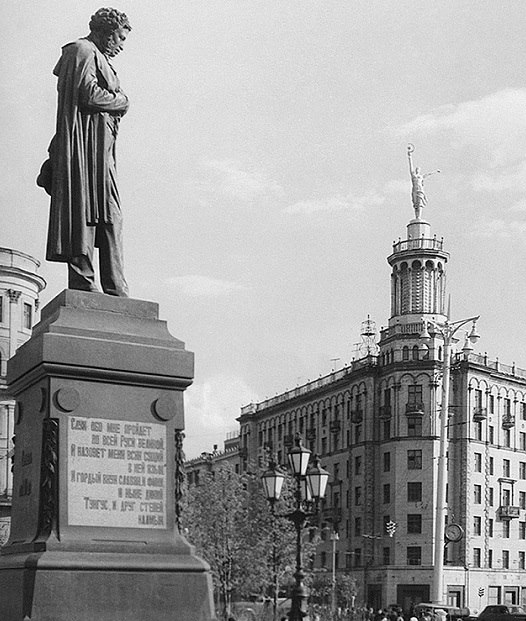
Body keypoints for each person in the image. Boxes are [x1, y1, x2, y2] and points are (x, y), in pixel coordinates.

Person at [38, 8, 132, 296]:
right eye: (119, 37)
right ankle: (84, 281)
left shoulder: (98, 56)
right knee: (82, 213)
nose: (121, 44)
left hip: (100, 152)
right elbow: (86, 93)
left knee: (110, 217)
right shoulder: (82, 50)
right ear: (105, 31)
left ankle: (116, 288)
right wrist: (122, 101)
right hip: (83, 150)